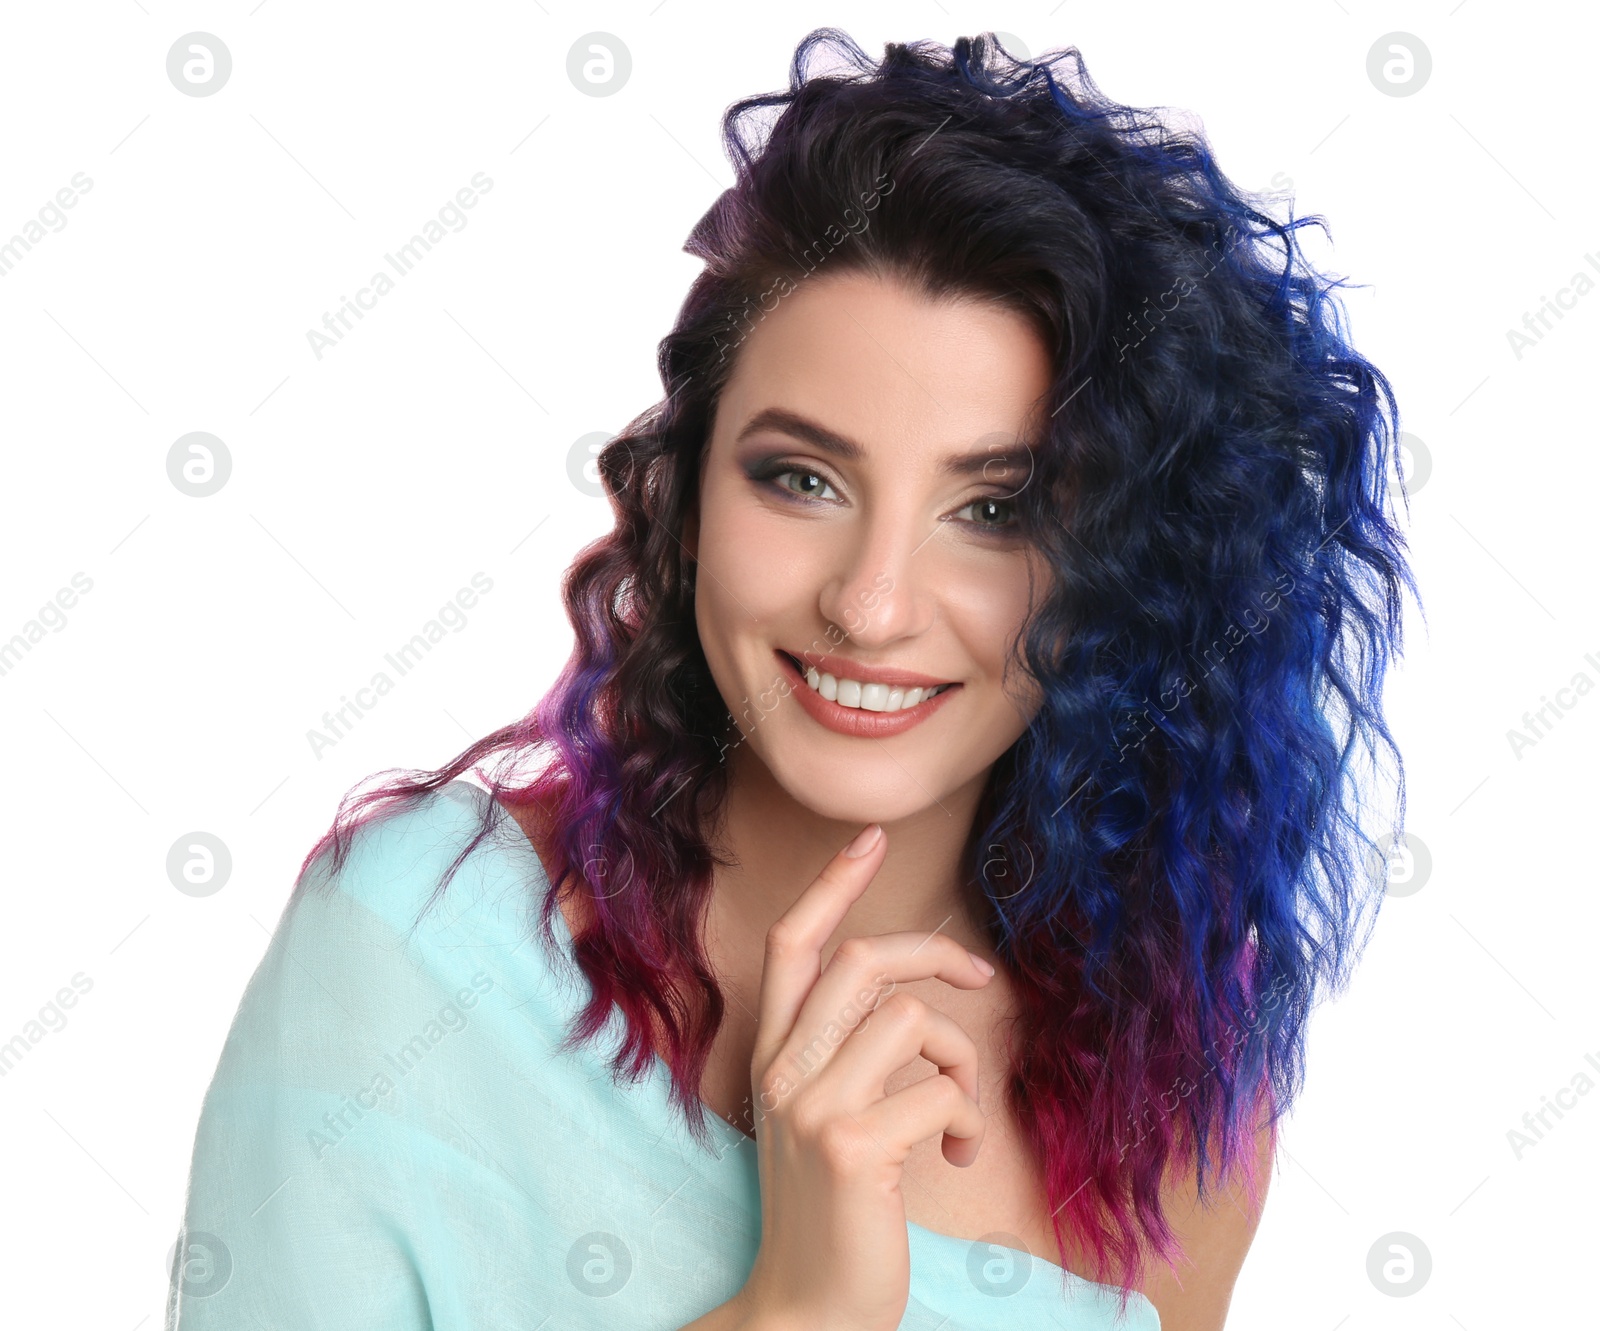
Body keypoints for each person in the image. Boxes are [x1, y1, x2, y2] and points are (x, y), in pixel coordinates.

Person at [167, 28, 1416, 1331]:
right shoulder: (412, 956)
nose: (871, 605)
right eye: (802, 479)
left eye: (994, 510)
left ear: (1122, 575)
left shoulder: (1167, 1092)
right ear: (689, 497)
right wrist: (800, 1306)